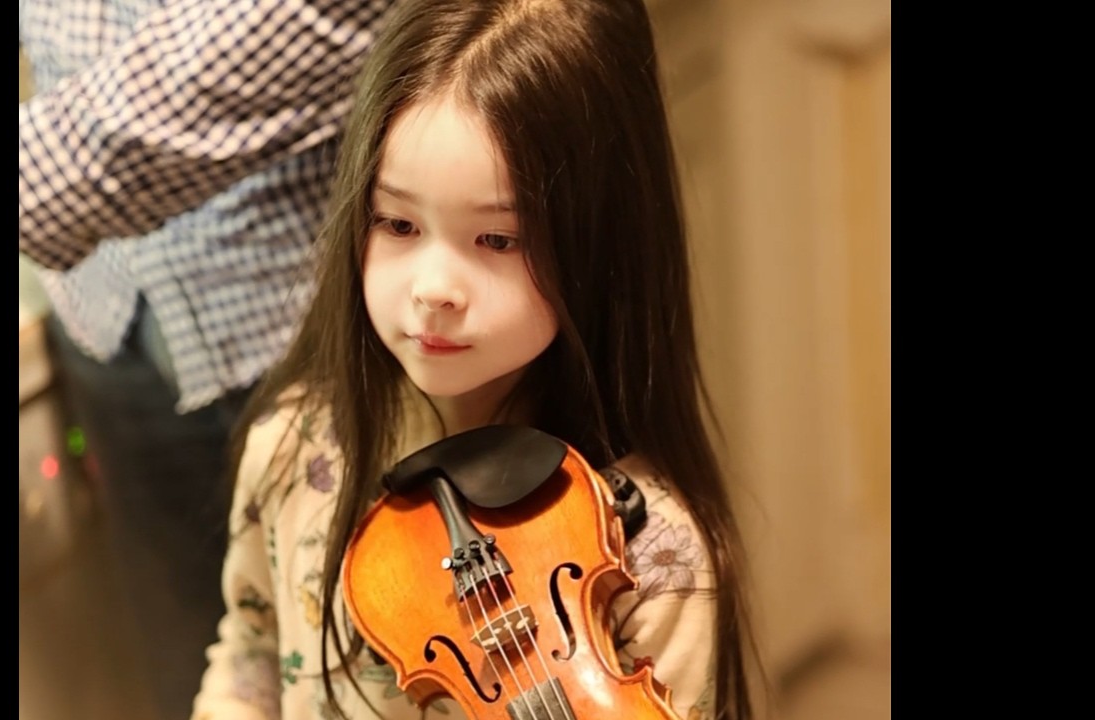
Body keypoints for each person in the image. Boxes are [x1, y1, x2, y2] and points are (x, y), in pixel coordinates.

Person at [191, 0, 762, 718]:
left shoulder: (654, 551)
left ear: (601, 248)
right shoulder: (292, 447)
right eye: (398, 223)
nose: (433, 288)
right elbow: (251, 659)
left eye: (497, 239)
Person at [18, 2, 393, 719]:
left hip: (318, 319)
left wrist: (42, 168)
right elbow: (242, 654)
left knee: (373, 673)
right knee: (202, 661)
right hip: (108, 317)